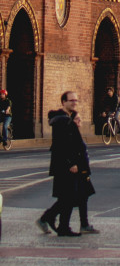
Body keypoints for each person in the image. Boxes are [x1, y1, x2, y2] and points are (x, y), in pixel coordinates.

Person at [37, 91, 87, 236]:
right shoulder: (62, 121)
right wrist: (71, 163)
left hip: (66, 164)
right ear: (63, 102)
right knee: (69, 196)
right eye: (71, 100)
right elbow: (62, 145)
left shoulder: (68, 119)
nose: (74, 103)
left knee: (67, 196)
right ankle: (53, 221)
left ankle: (58, 223)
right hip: (65, 165)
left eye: (76, 100)